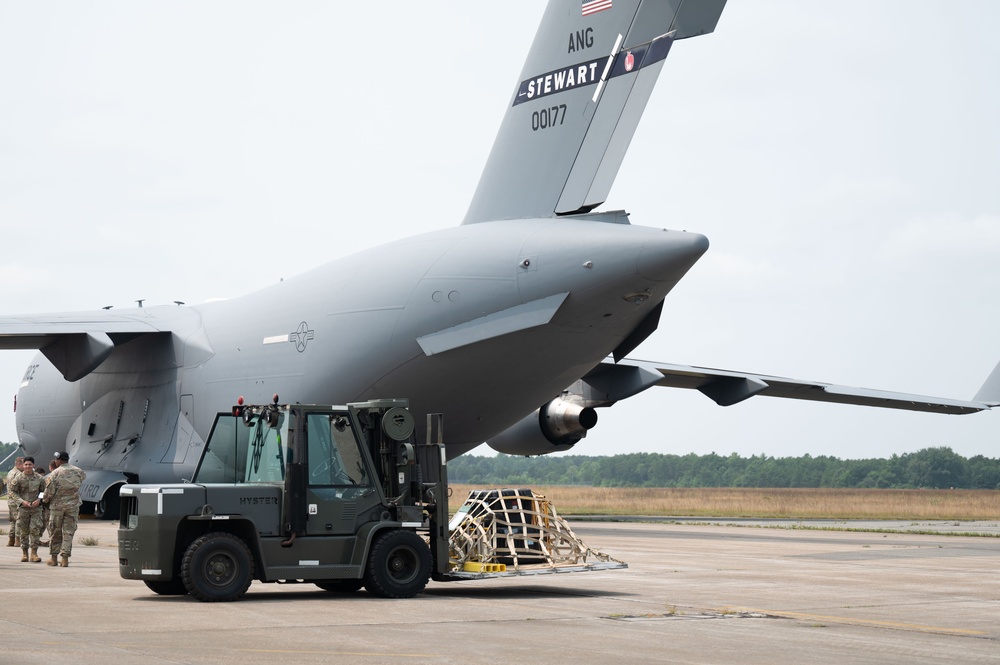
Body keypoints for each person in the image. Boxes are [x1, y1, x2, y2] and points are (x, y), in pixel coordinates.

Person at [42, 451, 86, 567]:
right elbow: (81, 481)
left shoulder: (55, 473)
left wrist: (44, 500)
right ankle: (65, 558)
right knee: (68, 532)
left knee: (55, 531)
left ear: (59, 460)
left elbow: (49, 492)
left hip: (57, 507)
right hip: (73, 506)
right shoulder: (79, 471)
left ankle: (54, 558)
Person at [10, 456, 45, 562]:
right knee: (24, 531)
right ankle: (24, 553)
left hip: (36, 508)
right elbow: (13, 492)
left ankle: (34, 553)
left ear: (33, 465)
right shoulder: (18, 478)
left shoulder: (39, 478)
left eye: (30, 464)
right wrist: (21, 502)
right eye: (26, 464)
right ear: (23, 465)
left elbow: (43, 491)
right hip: (23, 508)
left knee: (35, 530)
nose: (27, 466)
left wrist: (39, 500)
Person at [6, 457, 25, 547]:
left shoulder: (10, 472)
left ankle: (11, 539)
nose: (25, 467)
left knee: (13, 521)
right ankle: (18, 540)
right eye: (23, 464)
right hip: (17, 500)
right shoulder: (18, 474)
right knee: (19, 520)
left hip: (10, 500)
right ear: (18, 464)